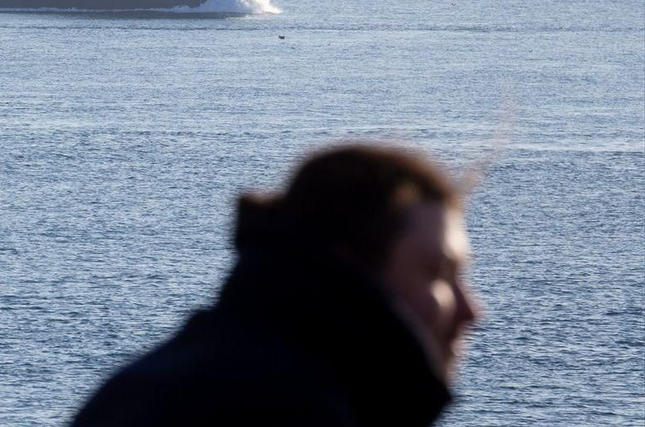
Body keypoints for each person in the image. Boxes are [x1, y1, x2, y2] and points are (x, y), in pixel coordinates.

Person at [73, 144, 480, 427]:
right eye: (438, 273)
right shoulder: (286, 409)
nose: (471, 311)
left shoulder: (166, 379)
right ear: (350, 264)